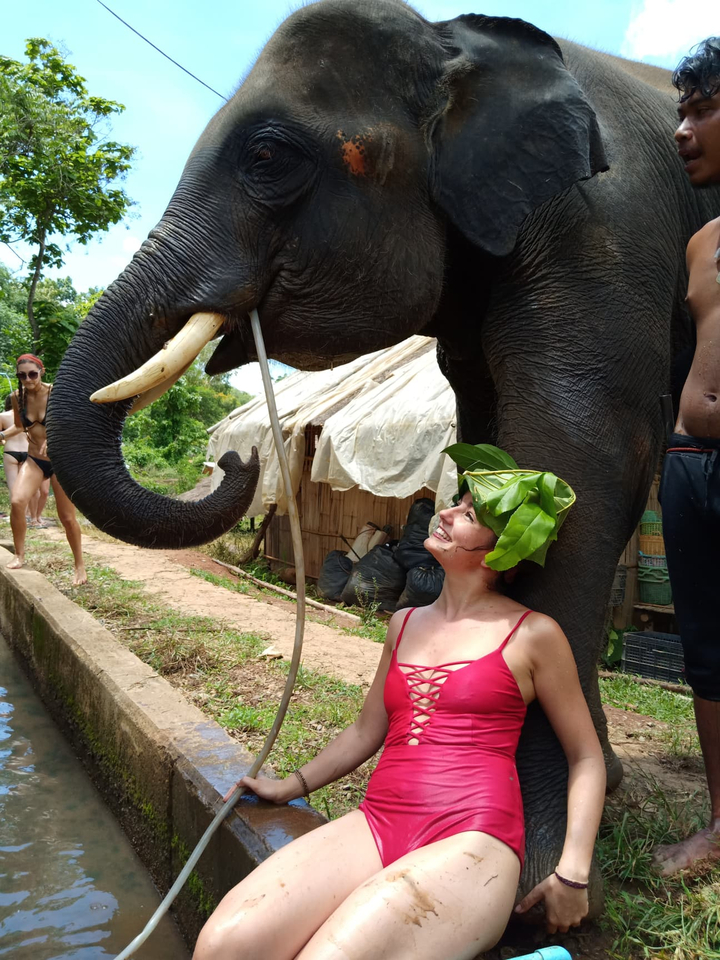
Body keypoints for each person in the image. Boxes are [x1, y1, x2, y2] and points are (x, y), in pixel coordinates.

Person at [193, 453, 606, 960]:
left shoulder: (534, 634)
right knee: (223, 943)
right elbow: (367, 730)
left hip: (474, 841)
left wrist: (573, 872)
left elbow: (586, 757)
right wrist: (289, 786)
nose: (448, 514)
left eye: (470, 516)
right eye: (457, 503)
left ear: (503, 554)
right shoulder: (403, 622)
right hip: (379, 820)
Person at [653, 38, 720, 877]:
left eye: (701, 108)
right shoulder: (702, 244)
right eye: (682, 109)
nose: (681, 130)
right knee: (708, 654)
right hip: (690, 464)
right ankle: (719, 825)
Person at [1, 355, 87, 585]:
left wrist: (57, 437)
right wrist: (2, 435)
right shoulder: (17, 398)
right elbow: (19, 426)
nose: (27, 379)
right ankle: (19, 555)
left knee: (67, 517)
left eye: (32, 374)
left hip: (61, 461)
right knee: (17, 502)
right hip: (34, 459)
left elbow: (76, 423)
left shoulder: (57, 393)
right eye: (22, 375)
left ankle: (79, 566)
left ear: (42, 371)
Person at [1, 394, 50, 526]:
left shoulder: (3, 416)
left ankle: (19, 518)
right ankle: (33, 517)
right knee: (34, 490)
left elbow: (2, 439)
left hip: (11, 451)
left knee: (15, 489)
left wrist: (4, 439)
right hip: (27, 451)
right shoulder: (29, 415)